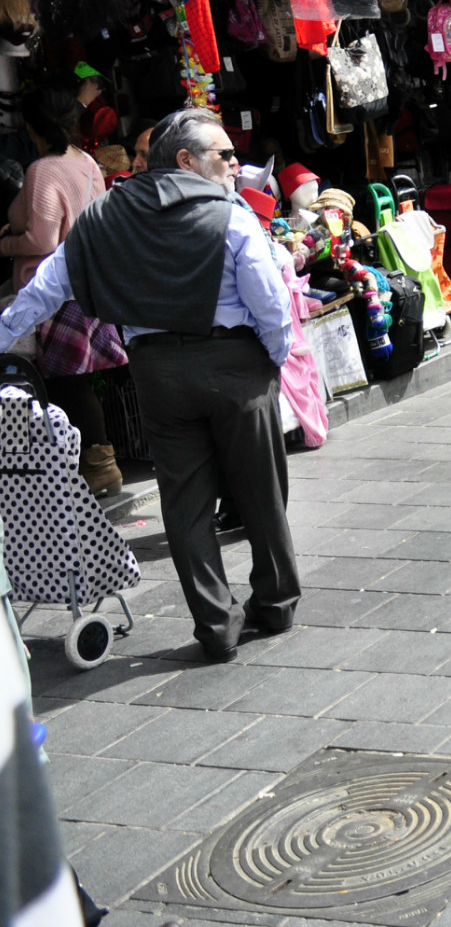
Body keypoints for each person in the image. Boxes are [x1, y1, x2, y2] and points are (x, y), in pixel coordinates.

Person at [0, 110, 296, 661]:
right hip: (236, 366)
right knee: (261, 490)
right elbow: (269, 301)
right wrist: (272, 360)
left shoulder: (102, 218)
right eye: (224, 155)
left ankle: (216, 625)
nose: (235, 165)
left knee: (184, 504)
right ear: (185, 161)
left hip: (158, 373)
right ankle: (275, 603)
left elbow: (45, 287)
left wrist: (3, 335)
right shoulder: (229, 216)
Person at [0, 91, 128, 495]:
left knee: (63, 383)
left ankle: (96, 464)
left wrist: (4, 243)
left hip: (53, 294)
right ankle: (96, 463)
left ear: (32, 129)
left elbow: (42, 239)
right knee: (77, 382)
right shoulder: (87, 163)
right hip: (86, 286)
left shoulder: (42, 170)